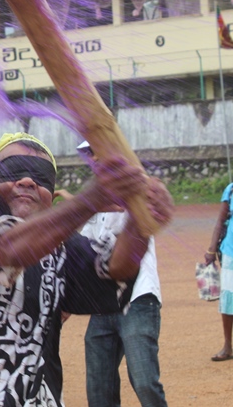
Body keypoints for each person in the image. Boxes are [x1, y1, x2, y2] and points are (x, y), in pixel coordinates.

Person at [0, 133, 174, 407]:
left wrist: (140, 222)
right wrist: (90, 200)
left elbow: (115, 270)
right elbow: (8, 248)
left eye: (41, 176)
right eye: (14, 170)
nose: (28, 181)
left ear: (51, 194)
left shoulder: (58, 249)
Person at [78, 142, 167, 407]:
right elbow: (84, 253)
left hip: (138, 298)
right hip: (104, 304)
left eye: (98, 149)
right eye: (89, 153)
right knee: (98, 388)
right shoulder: (92, 201)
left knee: (144, 381)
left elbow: (137, 205)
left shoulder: (137, 187)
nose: (94, 157)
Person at [205, 180, 233, 361]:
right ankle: (228, 346)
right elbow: (220, 221)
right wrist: (211, 249)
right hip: (230, 253)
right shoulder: (230, 190)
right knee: (228, 300)